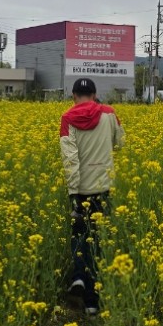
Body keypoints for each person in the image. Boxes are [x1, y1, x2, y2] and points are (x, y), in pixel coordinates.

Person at [59, 77, 124, 314]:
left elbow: (70, 159)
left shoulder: (67, 118)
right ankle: (92, 303)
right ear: (95, 94)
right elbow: (121, 142)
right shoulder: (109, 112)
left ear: (74, 96)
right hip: (104, 185)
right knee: (96, 240)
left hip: (81, 188)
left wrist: (74, 192)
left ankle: (78, 276)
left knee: (79, 235)